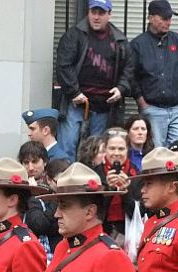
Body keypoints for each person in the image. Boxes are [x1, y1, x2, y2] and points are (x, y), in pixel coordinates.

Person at [56, 0, 134, 161]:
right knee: (68, 146)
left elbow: (130, 68)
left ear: (109, 14)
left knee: (97, 151)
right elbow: (63, 65)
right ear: (88, 12)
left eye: (101, 13)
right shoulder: (74, 35)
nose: (96, 17)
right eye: (93, 12)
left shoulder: (119, 40)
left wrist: (121, 88)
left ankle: (93, 177)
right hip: (76, 102)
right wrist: (74, 92)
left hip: (104, 105)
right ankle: (65, 176)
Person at [130, 0, 178, 147]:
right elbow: (131, 77)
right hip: (152, 109)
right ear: (150, 18)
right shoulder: (138, 44)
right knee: (156, 154)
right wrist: (141, 101)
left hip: (177, 109)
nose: (168, 22)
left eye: (170, 18)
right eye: (164, 18)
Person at [94, 128, 140, 245]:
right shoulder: (95, 174)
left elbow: (139, 213)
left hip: (129, 233)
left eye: (121, 149)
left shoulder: (136, 174)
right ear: (105, 149)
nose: (116, 153)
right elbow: (93, 212)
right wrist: (109, 189)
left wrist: (125, 192)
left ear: (127, 149)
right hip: (101, 231)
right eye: (112, 148)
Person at [24, 158, 71, 264]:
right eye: (59, 183)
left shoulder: (75, 201)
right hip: (49, 254)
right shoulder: (38, 198)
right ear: (49, 180)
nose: (63, 187)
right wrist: (57, 199)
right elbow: (39, 225)